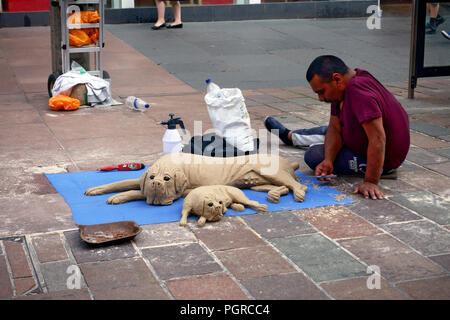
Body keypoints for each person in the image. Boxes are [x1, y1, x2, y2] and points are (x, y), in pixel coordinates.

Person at [264, 55, 410, 200]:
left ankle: (381, 170)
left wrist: (371, 181)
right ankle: (291, 136)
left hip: (387, 159)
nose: (320, 98)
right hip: (362, 138)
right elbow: (334, 128)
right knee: (325, 136)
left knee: (314, 155)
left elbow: (378, 138)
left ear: (337, 79)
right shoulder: (343, 88)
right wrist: (329, 159)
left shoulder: (358, 90)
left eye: (321, 92)